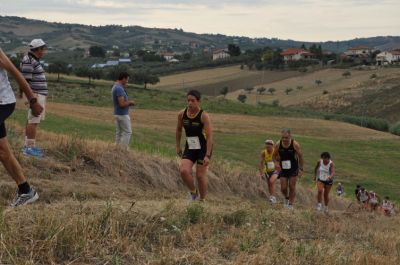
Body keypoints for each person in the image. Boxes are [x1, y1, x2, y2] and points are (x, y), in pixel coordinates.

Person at [0, 48, 42, 206]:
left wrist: (32, 100)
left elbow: (14, 72)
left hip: (2, 102)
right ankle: (26, 191)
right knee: (3, 151)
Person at [176, 90, 213, 202]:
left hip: (203, 148)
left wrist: (207, 155)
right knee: (183, 171)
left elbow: (210, 136)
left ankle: (202, 200)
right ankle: (193, 192)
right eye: (188, 100)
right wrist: (178, 146)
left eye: (193, 101)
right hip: (191, 146)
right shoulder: (181, 114)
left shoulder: (204, 116)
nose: (190, 103)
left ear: (198, 101)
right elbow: (178, 130)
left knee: (200, 176)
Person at [20, 39, 48, 157]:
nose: (44, 52)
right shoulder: (29, 60)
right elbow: (25, 81)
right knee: (33, 121)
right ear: (38, 49)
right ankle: (30, 148)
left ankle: (27, 146)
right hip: (35, 95)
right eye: (43, 49)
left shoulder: (32, 60)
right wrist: (32, 100)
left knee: (32, 120)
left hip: (36, 94)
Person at [273, 128, 304, 209]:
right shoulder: (278, 144)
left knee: (292, 186)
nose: (284, 139)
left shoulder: (295, 144)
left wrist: (301, 169)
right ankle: (286, 198)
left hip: (293, 168)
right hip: (283, 168)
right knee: (283, 188)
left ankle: (290, 204)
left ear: (290, 136)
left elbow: (300, 156)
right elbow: (273, 156)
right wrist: (276, 163)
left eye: (286, 138)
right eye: (283, 137)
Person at [111, 72, 134, 150]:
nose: (127, 82)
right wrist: (130, 103)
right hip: (122, 114)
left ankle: (116, 148)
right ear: (123, 78)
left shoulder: (115, 86)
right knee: (128, 132)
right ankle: (122, 150)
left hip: (117, 113)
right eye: (127, 80)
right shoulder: (119, 88)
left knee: (119, 133)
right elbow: (121, 104)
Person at [258, 139, 279, 203]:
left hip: (276, 170)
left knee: (271, 181)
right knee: (269, 184)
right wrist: (261, 173)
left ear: (272, 146)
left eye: (269, 146)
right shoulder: (264, 152)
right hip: (267, 171)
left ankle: (273, 197)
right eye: (266, 146)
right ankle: (272, 197)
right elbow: (261, 163)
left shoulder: (276, 152)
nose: (267, 147)